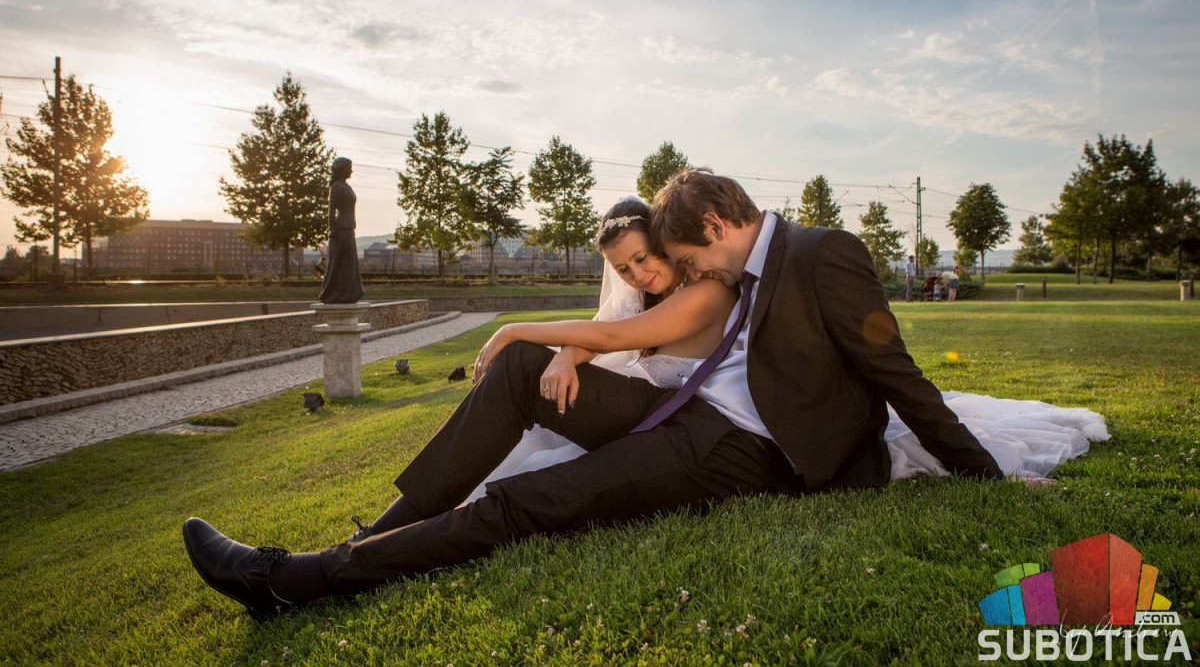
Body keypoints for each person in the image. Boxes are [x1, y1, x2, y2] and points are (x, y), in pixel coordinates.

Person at [180, 174, 1101, 620]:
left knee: (525, 501)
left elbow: (899, 377)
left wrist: (980, 475)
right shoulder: (737, 266)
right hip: (694, 416)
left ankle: (298, 581)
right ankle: (373, 535)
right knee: (521, 387)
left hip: (745, 451)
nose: (679, 273)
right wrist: (554, 350)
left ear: (716, 225)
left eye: (684, 256)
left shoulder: (823, 254)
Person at [318, 157, 363, 305]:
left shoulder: (346, 186)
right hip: (341, 229)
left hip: (349, 228)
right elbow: (331, 211)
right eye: (349, 167)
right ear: (341, 169)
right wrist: (332, 230)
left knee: (349, 264)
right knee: (339, 263)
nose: (351, 170)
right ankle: (333, 294)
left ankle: (348, 293)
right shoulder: (337, 187)